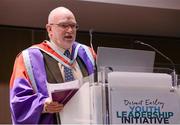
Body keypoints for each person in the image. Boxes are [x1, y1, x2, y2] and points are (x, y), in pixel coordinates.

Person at [9, 7, 96, 124]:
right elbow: (18, 101)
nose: (70, 30)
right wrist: (43, 105)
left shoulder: (88, 54)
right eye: (64, 25)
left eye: (73, 26)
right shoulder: (28, 58)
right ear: (50, 29)